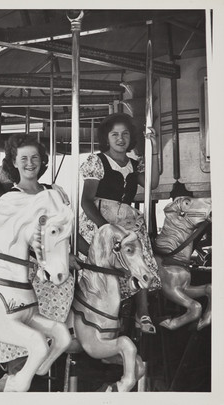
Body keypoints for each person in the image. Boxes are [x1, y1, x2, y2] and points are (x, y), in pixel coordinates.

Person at [0, 134, 85, 390]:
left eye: (35, 157)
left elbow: (66, 231)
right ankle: (14, 375)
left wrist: (74, 253)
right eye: (23, 158)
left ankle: (47, 375)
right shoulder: (10, 199)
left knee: (62, 332)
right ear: (13, 162)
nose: (30, 163)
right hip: (24, 278)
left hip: (57, 274)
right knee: (27, 338)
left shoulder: (54, 193)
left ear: (43, 160)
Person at [79, 112, 161, 334]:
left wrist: (152, 148)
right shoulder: (96, 161)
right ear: (107, 138)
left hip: (126, 219)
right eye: (114, 134)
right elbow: (86, 200)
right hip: (100, 219)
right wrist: (106, 228)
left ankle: (142, 311)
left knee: (139, 256)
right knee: (99, 261)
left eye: (125, 134)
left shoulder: (135, 164)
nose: (120, 138)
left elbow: (152, 183)